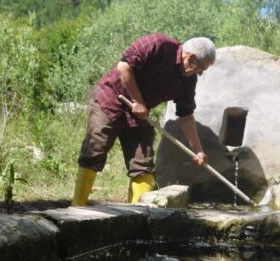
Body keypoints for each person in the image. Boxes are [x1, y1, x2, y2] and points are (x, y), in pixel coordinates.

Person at [71, 34, 216, 205]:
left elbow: (186, 115)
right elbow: (123, 67)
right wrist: (137, 101)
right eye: (201, 68)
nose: (200, 74)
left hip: (139, 114)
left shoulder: (188, 80)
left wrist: (198, 150)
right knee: (96, 148)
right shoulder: (158, 44)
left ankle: (137, 215)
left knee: (143, 163)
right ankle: (77, 207)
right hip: (110, 99)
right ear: (190, 57)